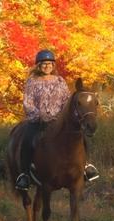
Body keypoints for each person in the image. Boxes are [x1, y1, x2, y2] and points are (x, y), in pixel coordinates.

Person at [14, 50, 98, 191]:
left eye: (49, 63)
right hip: (38, 121)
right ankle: (25, 175)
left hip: (58, 121)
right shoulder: (32, 82)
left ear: (53, 65)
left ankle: (86, 167)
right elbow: (27, 103)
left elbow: (66, 101)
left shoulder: (60, 81)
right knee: (27, 139)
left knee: (80, 137)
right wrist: (38, 114)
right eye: (44, 64)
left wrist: (64, 116)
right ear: (39, 66)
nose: (47, 66)